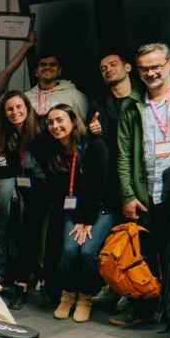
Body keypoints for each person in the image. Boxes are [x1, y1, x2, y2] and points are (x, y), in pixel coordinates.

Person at [113, 42, 170, 336]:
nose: (151, 72)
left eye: (156, 66)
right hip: (147, 190)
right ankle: (147, 308)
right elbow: (124, 154)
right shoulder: (131, 105)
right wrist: (128, 194)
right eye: (145, 68)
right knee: (147, 252)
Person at [43, 105, 112, 323]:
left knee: (87, 252)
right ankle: (68, 294)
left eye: (60, 120)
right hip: (74, 209)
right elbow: (65, 192)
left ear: (73, 121)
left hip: (100, 208)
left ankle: (85, 298)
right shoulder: (54, 152)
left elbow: (100, 186)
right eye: (51, 122)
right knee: (70, 250)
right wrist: (78, 217)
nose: (55, 126)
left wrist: (87, 220)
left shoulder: (94, 144)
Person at [0, 91, 51, 309]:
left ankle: (47, 285)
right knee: (27, 237)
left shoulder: (42, 129)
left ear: (27, 107)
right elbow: (15, 169)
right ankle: (22, 286)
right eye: (10, 109)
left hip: (53, 190)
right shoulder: (11, 135)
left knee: (48, 237)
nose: (15, 112)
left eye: (18, 107)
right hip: (29, 191)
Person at [87, 52, 137, 205]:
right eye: (103, 68)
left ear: (127, 67)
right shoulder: (98, 104)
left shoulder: (145, 96)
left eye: (113, 64)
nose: (108, 69)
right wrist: (94, 131)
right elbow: (92, 143)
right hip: (115, 175)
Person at [24, 52, 88, 119]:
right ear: (36, 72)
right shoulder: (26, 97)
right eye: (43, 64)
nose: (47, 67)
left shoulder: (75, 95)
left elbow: (85, 125)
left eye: (52, 64)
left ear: (59, 71)